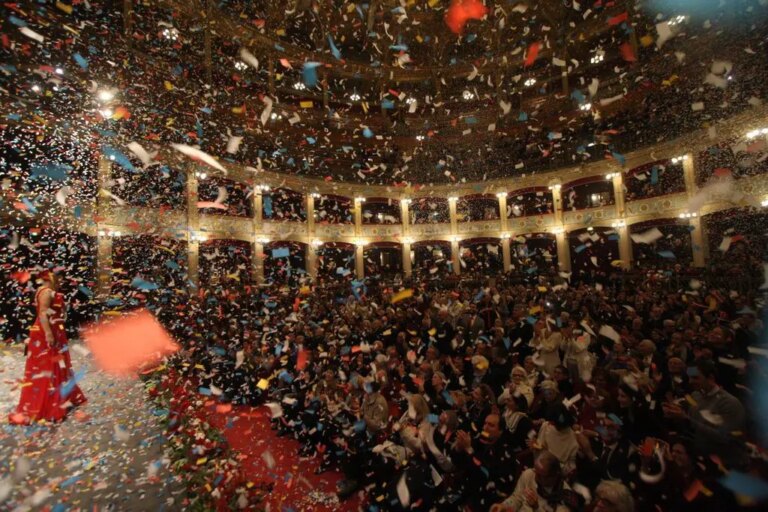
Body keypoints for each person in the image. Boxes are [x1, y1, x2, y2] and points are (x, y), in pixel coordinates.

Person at [9, 270, 86, 425]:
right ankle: (48, 402)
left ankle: (61, 396)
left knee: (57, 364)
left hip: (53, 329)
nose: (60, 282)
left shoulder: (47, 292)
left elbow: (49, 311)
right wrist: (49, 333)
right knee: (48, 366)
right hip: (46, 333)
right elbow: (43, 314)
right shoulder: (46, 292)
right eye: (58, 279)